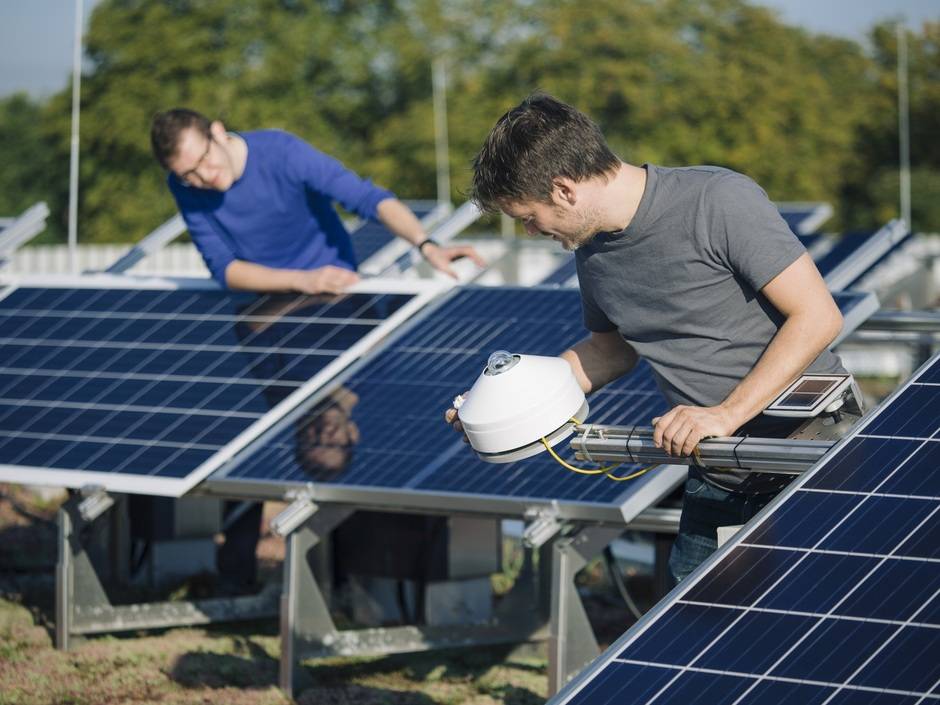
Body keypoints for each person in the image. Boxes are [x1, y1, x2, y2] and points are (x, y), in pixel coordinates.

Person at [447, 93, 849, 583]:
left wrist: (726, 414)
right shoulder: (592, 251)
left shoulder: (718, 200)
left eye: (529, 217)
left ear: (563, 189)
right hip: (718, 464)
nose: (531, 231)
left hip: (813, 448)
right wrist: (505, 404)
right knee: (699, 628)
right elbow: (610, 351)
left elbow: (817, 315)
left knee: (823, 624)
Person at [149, 108, 484, 293]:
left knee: (337, 417)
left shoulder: (282, 152)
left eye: (204, 159)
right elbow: (225, 268)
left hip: (337, 291)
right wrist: (300, 281)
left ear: (218, 133)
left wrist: (426, 244)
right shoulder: (183, 187)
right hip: (266, 306)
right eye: (188, 174)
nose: (203, 177)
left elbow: (365, 197)